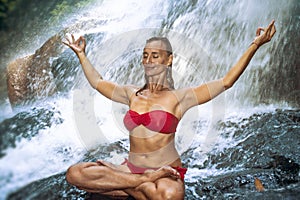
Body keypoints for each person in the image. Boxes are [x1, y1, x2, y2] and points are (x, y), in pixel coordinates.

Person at [63, 20, 276, 200]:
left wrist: (255, 45)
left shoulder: (180, 98)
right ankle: (141, 182)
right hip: (132, 168)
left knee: (170, 195)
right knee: (75, 173)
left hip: (165, 173)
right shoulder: (131, 93)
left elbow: (226, 82)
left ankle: (122, 185)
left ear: (169, 60)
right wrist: (82, 54)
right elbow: (97, 82)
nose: (148, 61)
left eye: (155, 56)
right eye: (145, 56)